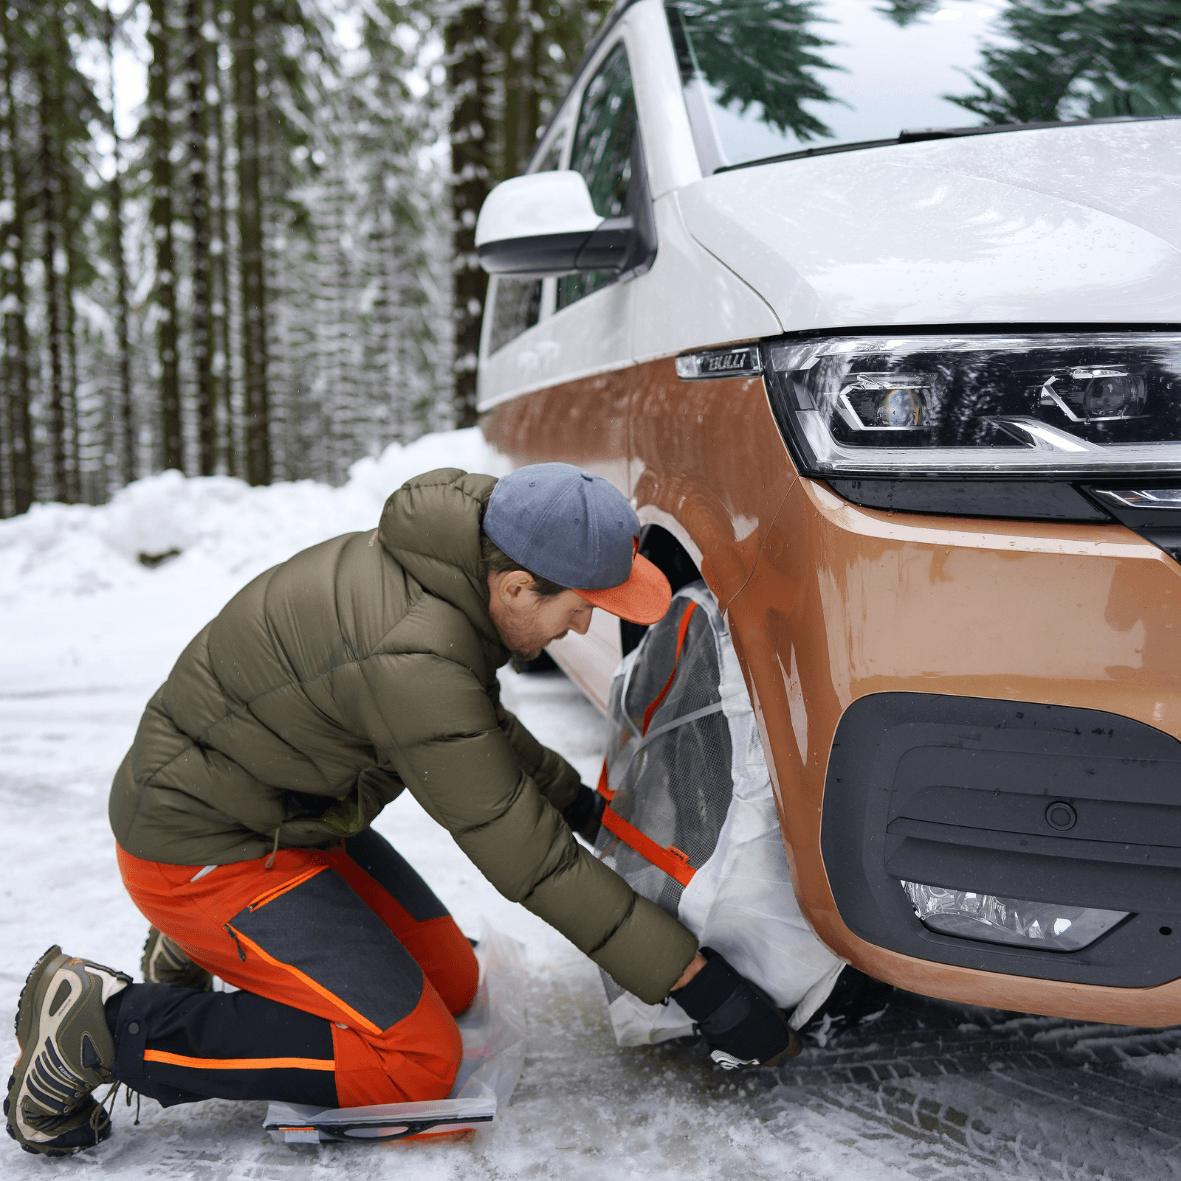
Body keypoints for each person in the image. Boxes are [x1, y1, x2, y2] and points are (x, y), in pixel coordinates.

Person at [6, 463, 797, 1157]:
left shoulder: (450, 572)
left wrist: (584, 807)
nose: (585, 624)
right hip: (199, 845)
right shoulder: (414, 652)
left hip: (286, 815)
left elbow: (475, 732)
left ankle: (207, 947)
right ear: (519, 585)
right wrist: (701, 987)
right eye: (582, 606)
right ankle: (102, 1029)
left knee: (454, 980)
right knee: (413, 1062)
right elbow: (528, 859)